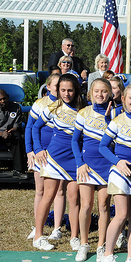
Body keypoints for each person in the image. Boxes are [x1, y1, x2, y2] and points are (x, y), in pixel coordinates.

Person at [32, 74, 87, 251]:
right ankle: (39, 236)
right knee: (48, 196)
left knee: (74, 198)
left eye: (70, 90)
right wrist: (38, 149)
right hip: (54, 158)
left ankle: (74, 237)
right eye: (62, 90)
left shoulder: (83, 108)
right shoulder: (53, 106)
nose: (66, 93)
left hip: (75, 159)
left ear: (76, 89)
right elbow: (35, 127)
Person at [99, 84, 131, 261]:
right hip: (120, 171)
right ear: (124, 99)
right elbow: (103, 147)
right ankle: (107, 254)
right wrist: (118, 162)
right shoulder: (117, 120)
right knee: (121, 214)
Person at [71, 78, 116, 261]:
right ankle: (83, 243)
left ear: (110, 94)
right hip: (86, 166)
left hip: (107, 166)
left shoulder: (115, 114)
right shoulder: (83, 113)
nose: (100, 95)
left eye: (104, 91)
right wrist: (80, 163)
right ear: (90, 93)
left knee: (104, 205)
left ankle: (101, 245)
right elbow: (75, 140)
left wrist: (108, 119)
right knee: (86, 206)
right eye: (96, 91)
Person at [26, 74, 66, 242]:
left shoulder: (68, 104)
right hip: (41, 153)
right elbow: (29, 128)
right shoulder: (40, 104)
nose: (58, 89)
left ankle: (57, 228)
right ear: (48, 87)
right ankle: (38, 226)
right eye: (56, 86)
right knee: (41, 190)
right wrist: (31, 151)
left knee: (60, 190)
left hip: (59, 154)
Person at [0, 89, 24, 177]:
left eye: (4, 99)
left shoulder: (16, 107)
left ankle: (18, 171)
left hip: (10, 133)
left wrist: (11, 131)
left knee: (18, 138)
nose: (3, 101)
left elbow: (17, 125)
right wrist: (1, 134)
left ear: (8, 97)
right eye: (0, 100)